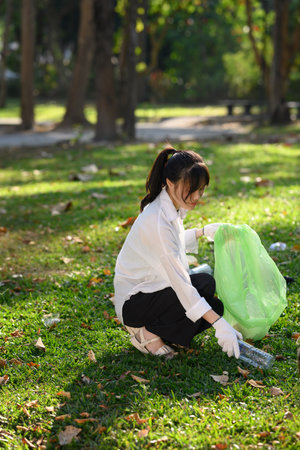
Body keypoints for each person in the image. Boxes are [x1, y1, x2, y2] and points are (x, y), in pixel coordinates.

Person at [113, 145, 242, 358]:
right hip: (135, 303)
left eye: (200, 189)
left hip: (153, 289)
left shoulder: (169, 206)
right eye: (191, 188)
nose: (196, 196)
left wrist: (201, 232)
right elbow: (180, 283)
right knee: (210, 306)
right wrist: (219, 325)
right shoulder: (157, 219)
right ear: (170, 182)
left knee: (206, 285)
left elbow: (171, 244)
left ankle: (165, 331)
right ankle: (146, 333)